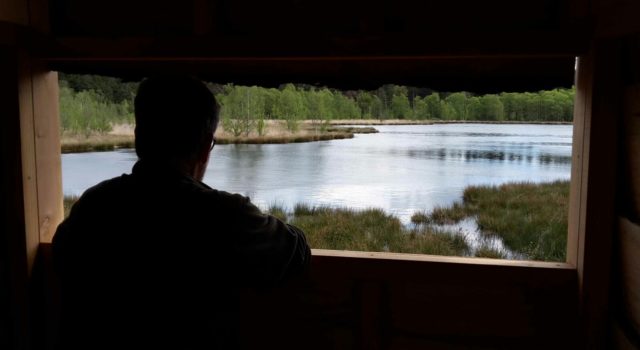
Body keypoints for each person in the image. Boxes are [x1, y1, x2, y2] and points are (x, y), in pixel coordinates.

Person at [52, 76, 311, 349]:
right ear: (204, 148)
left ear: (139, 138)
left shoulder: (94, 206)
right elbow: (298, 251)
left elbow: (60, 257)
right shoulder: (224, 215)